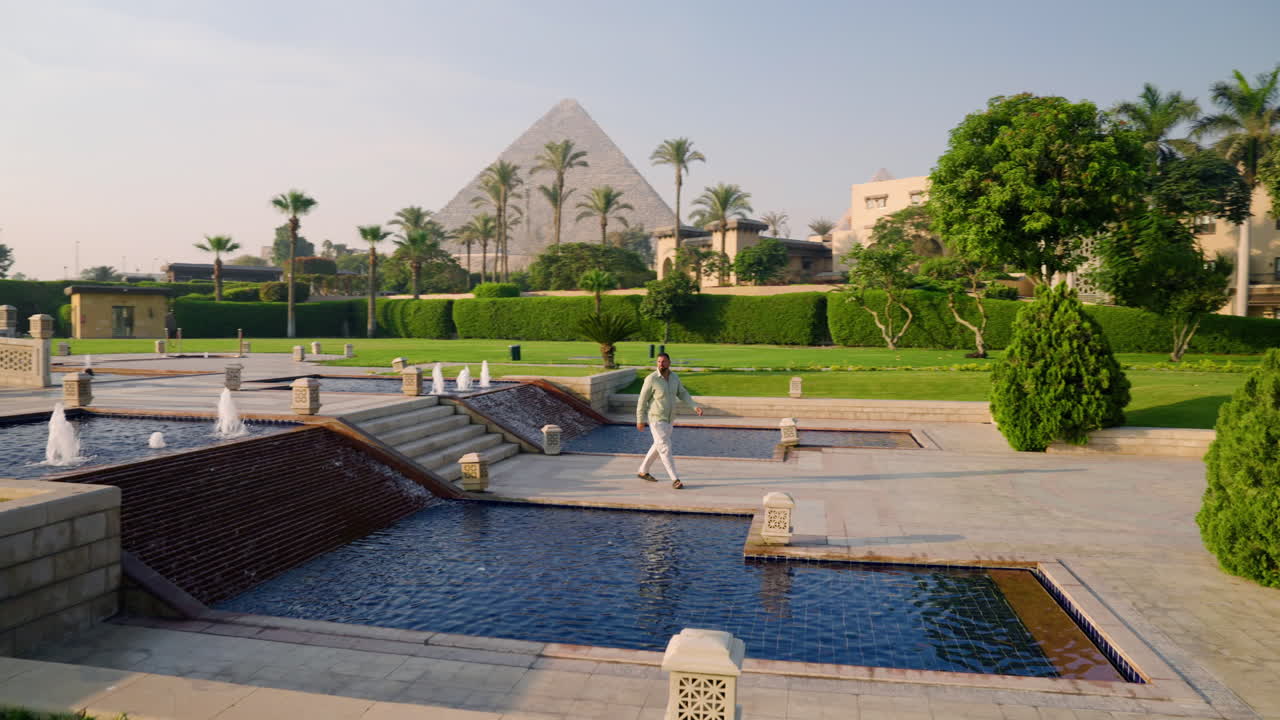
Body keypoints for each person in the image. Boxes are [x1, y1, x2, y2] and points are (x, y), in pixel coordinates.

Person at [636, 352, 703, 489]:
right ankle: (675, 479)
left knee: (658, 445)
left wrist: (694, 406)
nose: (661, 364)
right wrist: (640, 419)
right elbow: (642, 401)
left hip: (670, 419)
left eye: (663, 361)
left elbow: (682, 393)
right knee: (665, 447)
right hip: (656, 418)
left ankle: (643, 470)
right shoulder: (651, 379)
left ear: (669, 363)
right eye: (658, 362)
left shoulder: (674, 378)